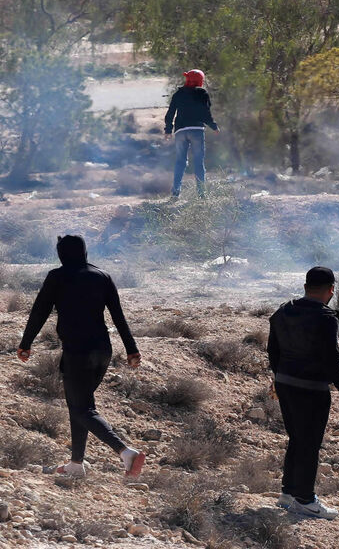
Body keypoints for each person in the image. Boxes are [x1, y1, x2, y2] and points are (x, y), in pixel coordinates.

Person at [17, 235, 146, 479]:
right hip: (102, 352)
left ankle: (126, 452)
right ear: (85, 252)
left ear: (61, 254)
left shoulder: (57, 276)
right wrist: (131, 349)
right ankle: (76, 464)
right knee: (81, 405)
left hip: (77, 352)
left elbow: (40, 311)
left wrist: (26, 343)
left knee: (80, 408)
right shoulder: (102, 276)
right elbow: (118, 316)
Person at [267, 266, 339, 520]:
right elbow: (332, 358)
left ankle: (288, 494)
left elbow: (272, 348)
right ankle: (305, 500)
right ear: (331, 290)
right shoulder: (326, 318)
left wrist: (277, 376)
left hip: (285, 384)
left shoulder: (283, 311)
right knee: (309, 443)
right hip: (312, 389)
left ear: (306, 287)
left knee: (297, 438)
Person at [163, 69, 219, 199]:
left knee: (180, 161)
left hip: (180, 131)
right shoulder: (202, 93)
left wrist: (168, 130)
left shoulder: (178, 94)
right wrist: (213, 126)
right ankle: (201, 194)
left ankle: (176, 191)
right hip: (196, 130)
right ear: (200, 80)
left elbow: (170, 113)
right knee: (199, 161)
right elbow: (206, 113)